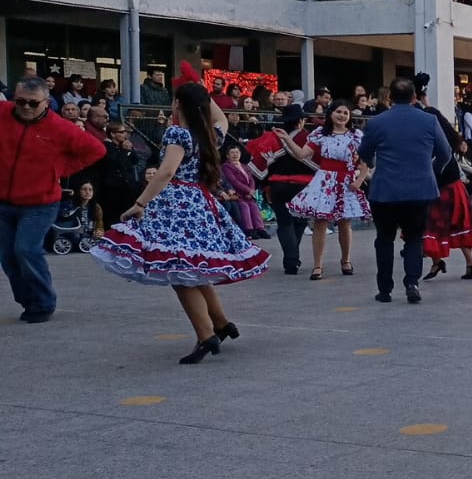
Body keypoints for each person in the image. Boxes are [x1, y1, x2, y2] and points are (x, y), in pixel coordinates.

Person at [92, 74, 270, 362]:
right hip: (200, 202)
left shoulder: (178, 134)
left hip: (176, 205)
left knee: (180, 271)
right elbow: (221, 118)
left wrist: (140, 202)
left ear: (177, 104)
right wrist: (202, 94)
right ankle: (220, 323)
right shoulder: (210, 134)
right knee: (193, 268)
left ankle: (206, 335)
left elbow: (166, 171)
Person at [0, 77, 107, 322]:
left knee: (26, 250)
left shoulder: (60, 128)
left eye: (33, 103)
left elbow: (97, 150)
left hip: (40, 202)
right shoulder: (3, 113)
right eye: (20, 101)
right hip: (3, 202)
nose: (26, 107)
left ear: (47, 103)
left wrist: (61, 169)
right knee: (7, 256)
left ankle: (43, 302)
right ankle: (28, 301)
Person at [357, 76, 451, 304]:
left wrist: (372, 162)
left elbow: (364, 152)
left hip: (385, 190)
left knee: (384, 239)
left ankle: (384, 289)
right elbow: (445, 153)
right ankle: (412, 283)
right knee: (414, 238)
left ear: (389, 97)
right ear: (414, 97)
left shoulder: (377, 122)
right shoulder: (429, 120)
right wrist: (430, 170)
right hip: (419, 189)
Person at [414, 76, 472, 281]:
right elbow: (429, 109)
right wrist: (422, 94)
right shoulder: (439, 125)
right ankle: (466, 264)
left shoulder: (429, 130)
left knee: (433, 223)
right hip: (451, 183)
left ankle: (440, 262)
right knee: (457, 223)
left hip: (439, 184)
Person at [284, 100, 371, 278]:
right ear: (331, 113)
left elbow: (365, 161)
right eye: (338, 111)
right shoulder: (320, 134)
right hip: (324, 181)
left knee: (344, 222)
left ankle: (346, 260)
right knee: (320, 222)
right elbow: (301, 154)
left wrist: (360, 180)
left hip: (345, 181)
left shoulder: (355, 136)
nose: (342, 115)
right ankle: (318, 265)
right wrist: (286, 139)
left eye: (345, 113)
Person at [247, 104, 317, 274]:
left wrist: (265, 186)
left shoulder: (272, 138)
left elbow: (260, 164)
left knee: (284, 223)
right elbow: (318, 164)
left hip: (278, 186)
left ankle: (291, 259)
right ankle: (292, 258)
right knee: (299, 221)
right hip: (303, 187)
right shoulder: (308, 138)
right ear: (301, 121)